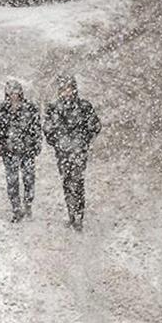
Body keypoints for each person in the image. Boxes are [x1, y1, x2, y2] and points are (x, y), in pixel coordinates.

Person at [43, 75, 101, 231]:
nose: (67, 92)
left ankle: (79, 215)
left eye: (69, 88)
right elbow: (47, 129)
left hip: (78, 152)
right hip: (62, 153)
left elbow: (95, 125)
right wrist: (57, 142)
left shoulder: (84, 106)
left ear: (74, 89)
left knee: (78, 181)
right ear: (60, 91)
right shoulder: (53, 107)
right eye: (63, 89)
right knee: (67, 182)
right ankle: (70, 212)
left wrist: (83, 141)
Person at [0, 79, 42, 222]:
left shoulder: (30, 108)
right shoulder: (2, 109)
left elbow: (36, 128)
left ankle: (27, 204)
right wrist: (1, 146)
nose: (14, 95)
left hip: (27, 150)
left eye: (16, 92)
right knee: (12, 182)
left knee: (29, 179)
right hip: (9, 151)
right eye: (11, 92)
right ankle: (16, 209)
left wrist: (36, 145)